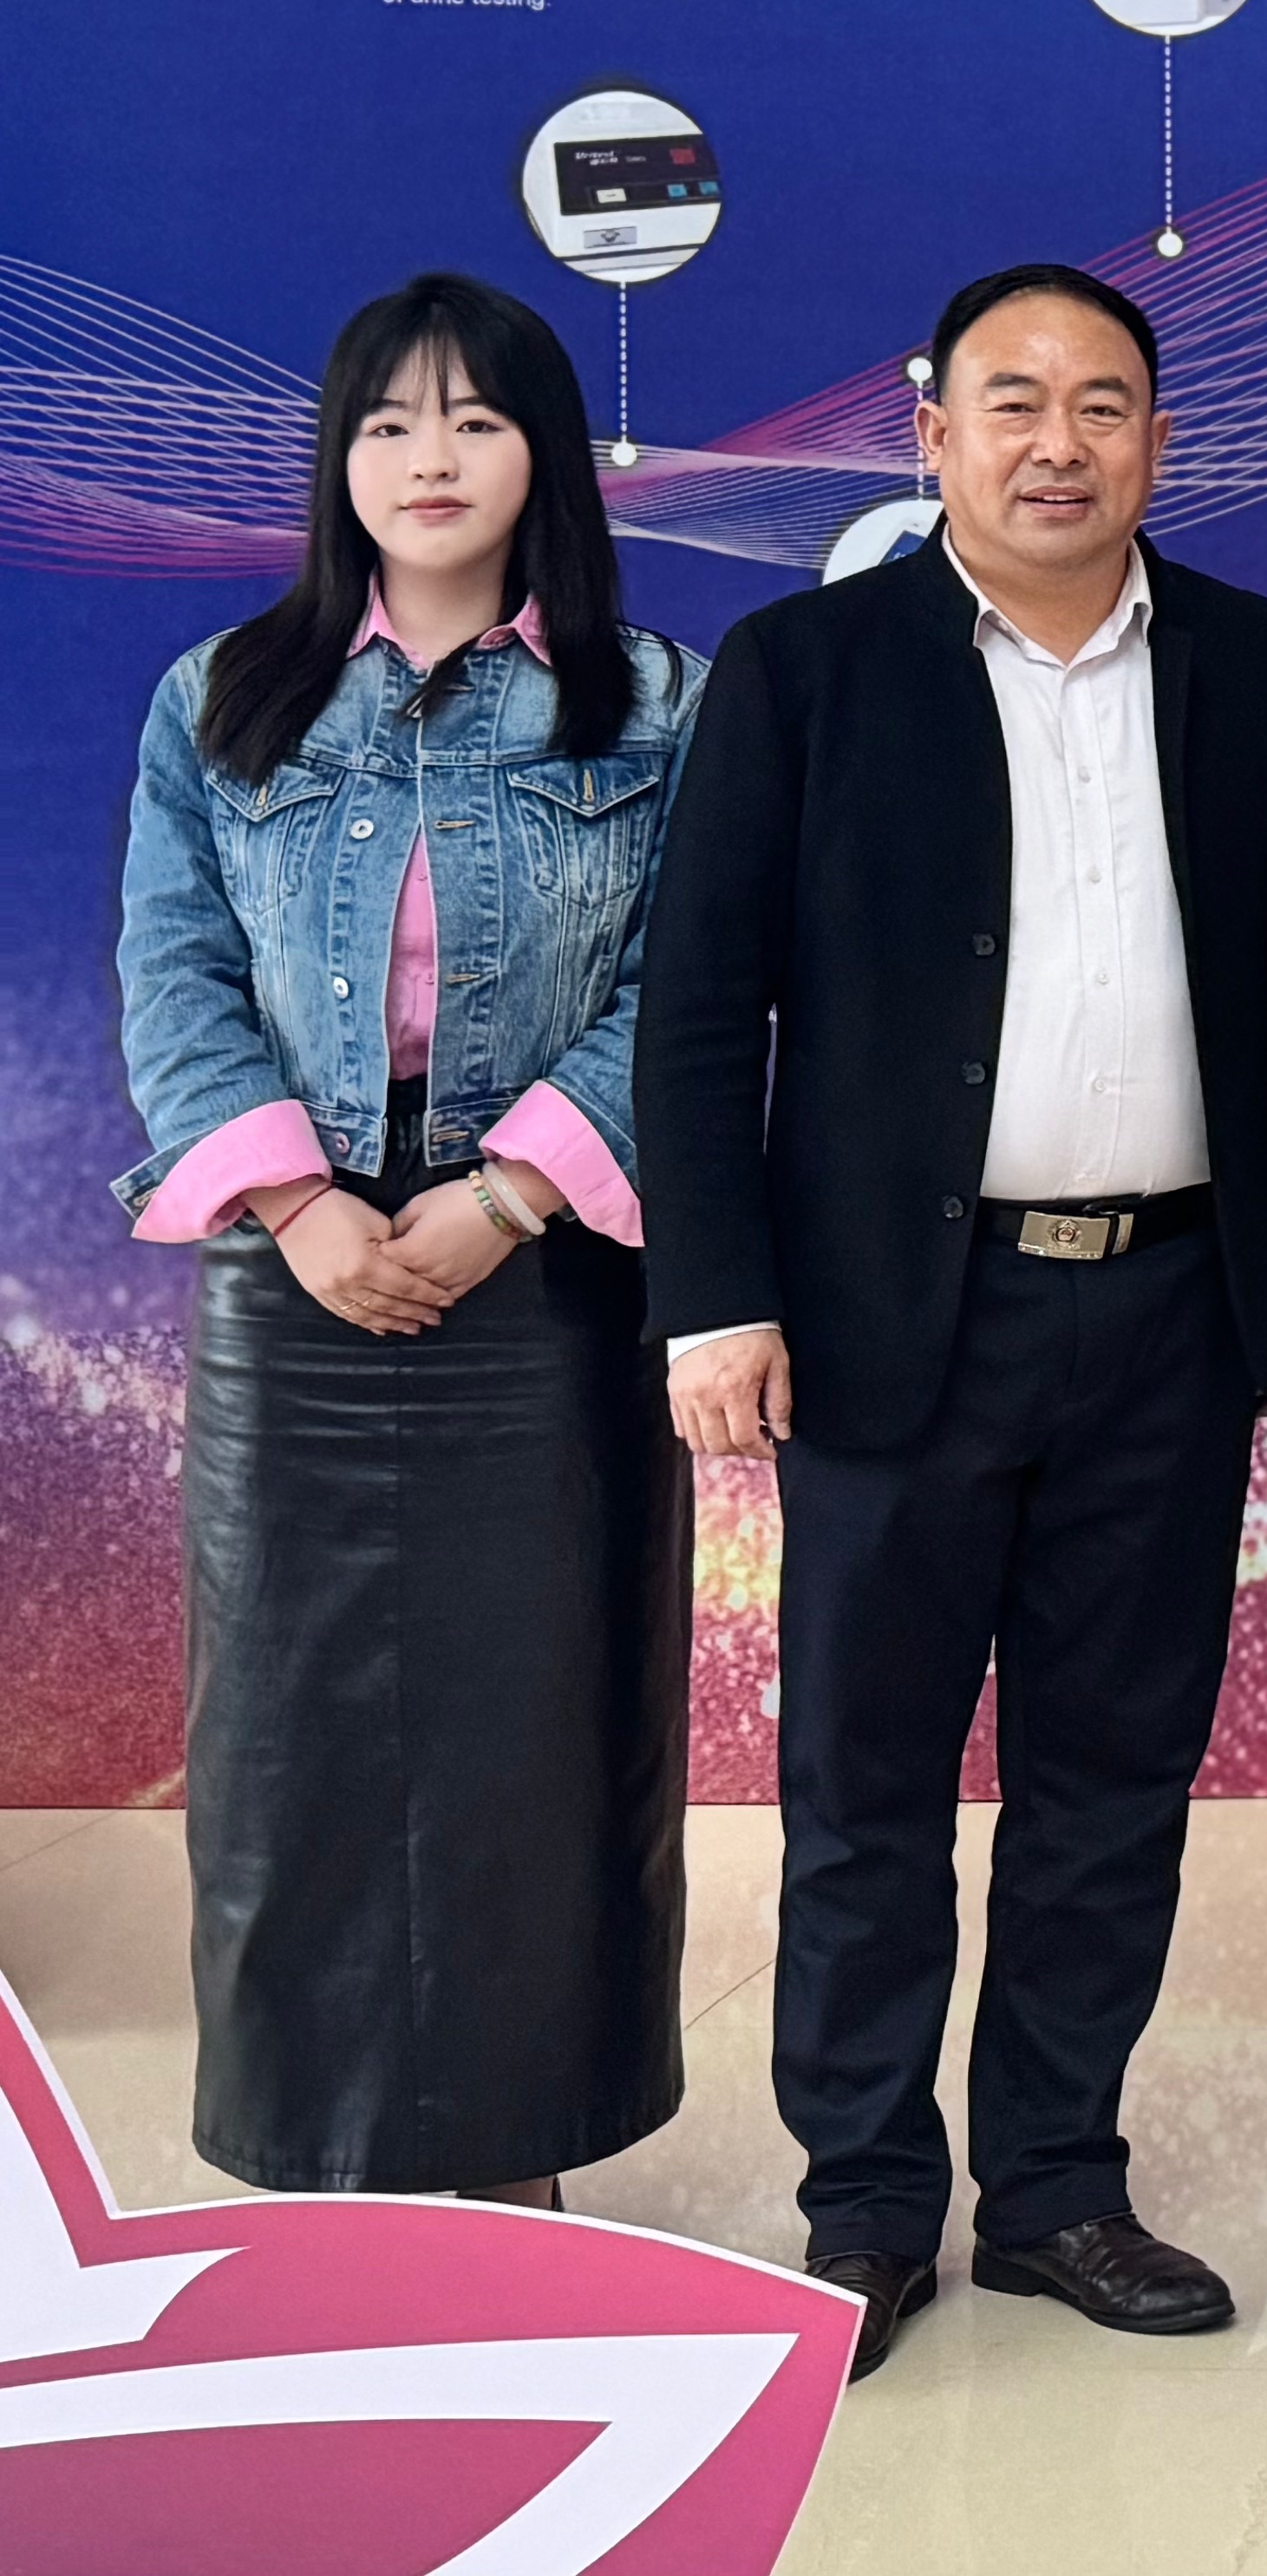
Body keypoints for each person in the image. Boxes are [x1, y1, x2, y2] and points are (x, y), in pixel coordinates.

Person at [643, 262, 1267, 2380]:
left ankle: (1055, 2187)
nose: (1059, 444)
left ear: (1159, 442)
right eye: (1013, 403)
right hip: (891, 1321)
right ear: (932, 432)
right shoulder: (810, 666)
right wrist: (715, 1300)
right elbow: (700, 1007)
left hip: (1174, 1313)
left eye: (1103, 405)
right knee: (864, 1788)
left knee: (1113, 1781)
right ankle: (864, 2205)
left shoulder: (1252, 662)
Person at [114, 273, 700, 2211]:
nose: (427, 458)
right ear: (338, 462)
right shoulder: (222, 695)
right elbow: (174, 972)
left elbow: (698, 990)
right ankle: (324, 2174)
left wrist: (508, 1193)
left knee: (542, 1733)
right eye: (386, 423)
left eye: (473, 419)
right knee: (286, 1745)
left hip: (551, 1276)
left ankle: (518, 2168)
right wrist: (298, 1205)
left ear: (546, 454)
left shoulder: (656, 700)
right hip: (293, 1279)